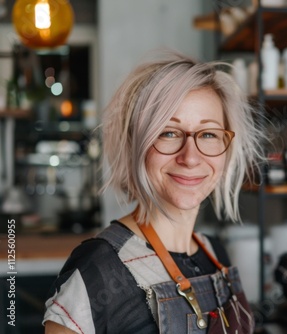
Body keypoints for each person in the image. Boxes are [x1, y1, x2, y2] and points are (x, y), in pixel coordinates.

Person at [43, 50, 269, 333]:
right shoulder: (99, 269)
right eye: (169, 133)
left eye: (209, 134)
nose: (190, 157)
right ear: (137, 144)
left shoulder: (215, 252)